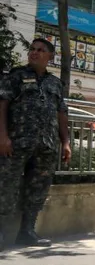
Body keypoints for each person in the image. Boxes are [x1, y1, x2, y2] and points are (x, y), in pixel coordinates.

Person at [0, 38, 71, 251]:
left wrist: (66, 142)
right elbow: (2, 105)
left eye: (40, 50)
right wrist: (3, 136)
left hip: (46, 145)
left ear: (50, 56)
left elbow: (62, 113)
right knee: (6, 186)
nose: (34, 52)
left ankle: (27, 232)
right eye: (32, 49)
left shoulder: (55, 83)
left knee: (38, 188)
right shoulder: (16, 76)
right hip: (16, 142)